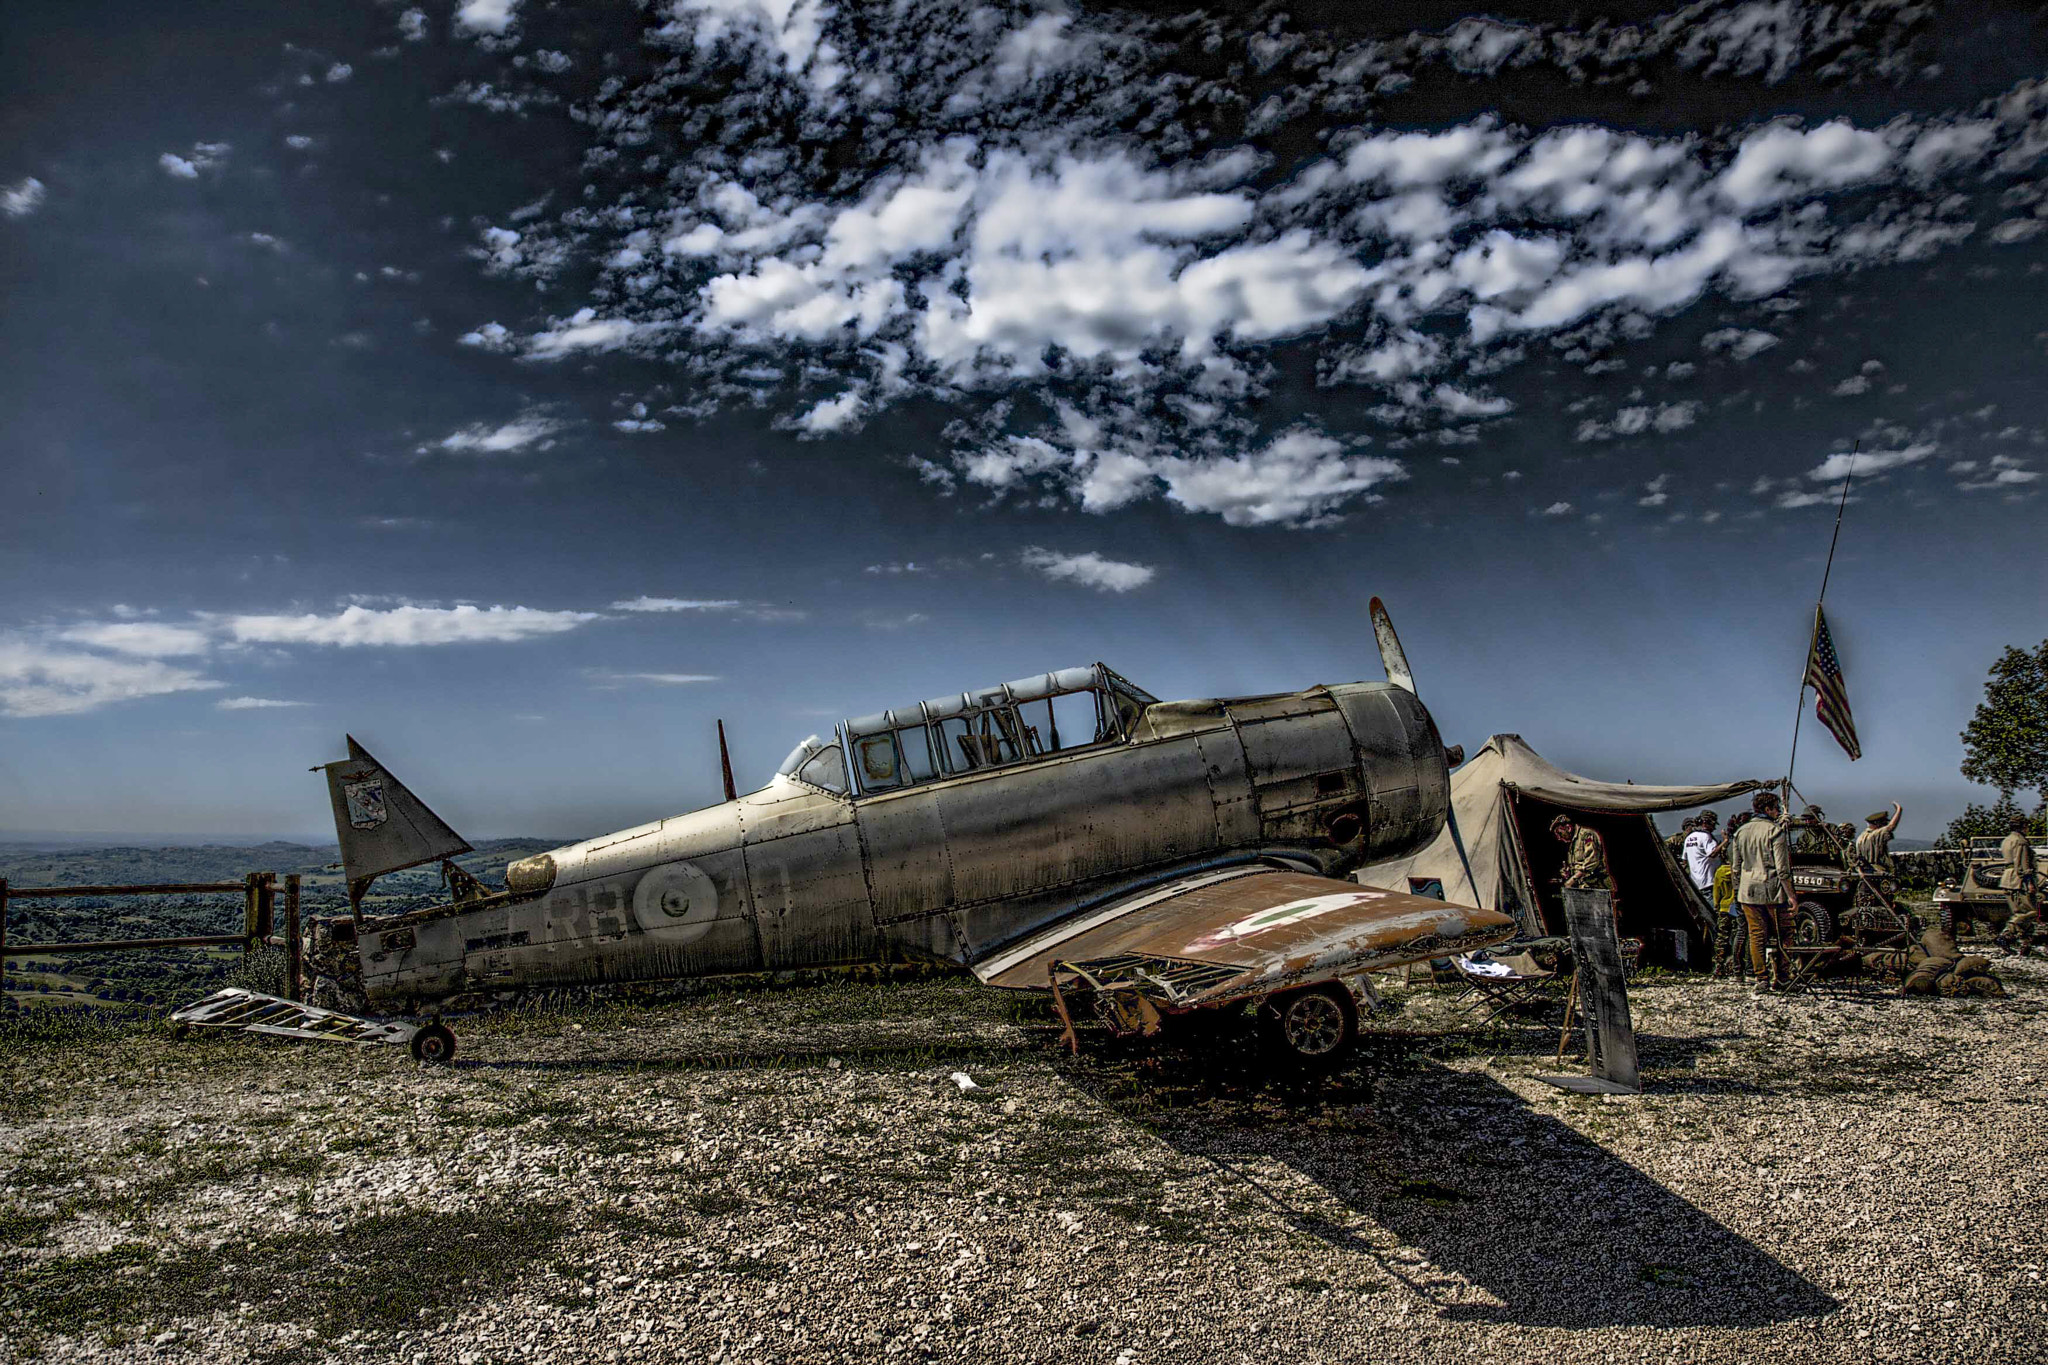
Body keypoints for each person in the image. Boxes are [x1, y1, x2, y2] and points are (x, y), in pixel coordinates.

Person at [1732, 790, 1798, 990]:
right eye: (1776, 808)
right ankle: (1783, 977)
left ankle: (1761, 978)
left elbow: (1736, 867)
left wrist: (1738, 891)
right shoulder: (1774, 831)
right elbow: (1783, 869)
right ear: (1767, 809)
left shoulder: (1740, 832)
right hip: (1772, 890)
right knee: (1784, 934)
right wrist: (1792, 896)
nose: (1778, 811)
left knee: (1756, 935)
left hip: (1747, 890)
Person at [1551, 813, 1618, 925]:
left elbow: (1592, 861)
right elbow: (1577, 865)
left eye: (1559, 833)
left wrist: (1573, 879)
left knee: (1603, 924)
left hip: (1598, 887)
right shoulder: (1573, 843)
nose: (1559, 837)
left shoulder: (1587, 835)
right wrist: (1568, 873)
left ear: (1568, 827)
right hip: (1585, 889)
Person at [1995, 815, 2040, 956]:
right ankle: (2005, 935)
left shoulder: (2007, 840)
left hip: (2008, 878)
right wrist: (2029, 882)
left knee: (2018, 912)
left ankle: (2024, 945)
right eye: (2026, 825)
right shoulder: (2021, 841)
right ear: (2021, 826)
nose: (2028, 828)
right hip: (2019, 880)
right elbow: (2022, 864)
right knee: (2029, 912)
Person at [1855, 804, 1903, 874]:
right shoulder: (1875, 834)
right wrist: (1899, 810)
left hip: (1865, 870)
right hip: (1879, 870)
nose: (1885, 825)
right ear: (1877, 823)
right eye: (1884, 823)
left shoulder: (1860, 837)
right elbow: (1891, 826)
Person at [1683, 811, 1724, 892]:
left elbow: (1685, 859)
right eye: (1713, 824)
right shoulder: (1705, 836)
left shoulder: (1688, 838)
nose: (1714, 828)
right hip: (1709, 883)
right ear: (1705, 823)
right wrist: (1725, 841)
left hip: (1696, 884)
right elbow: (1712, 854)